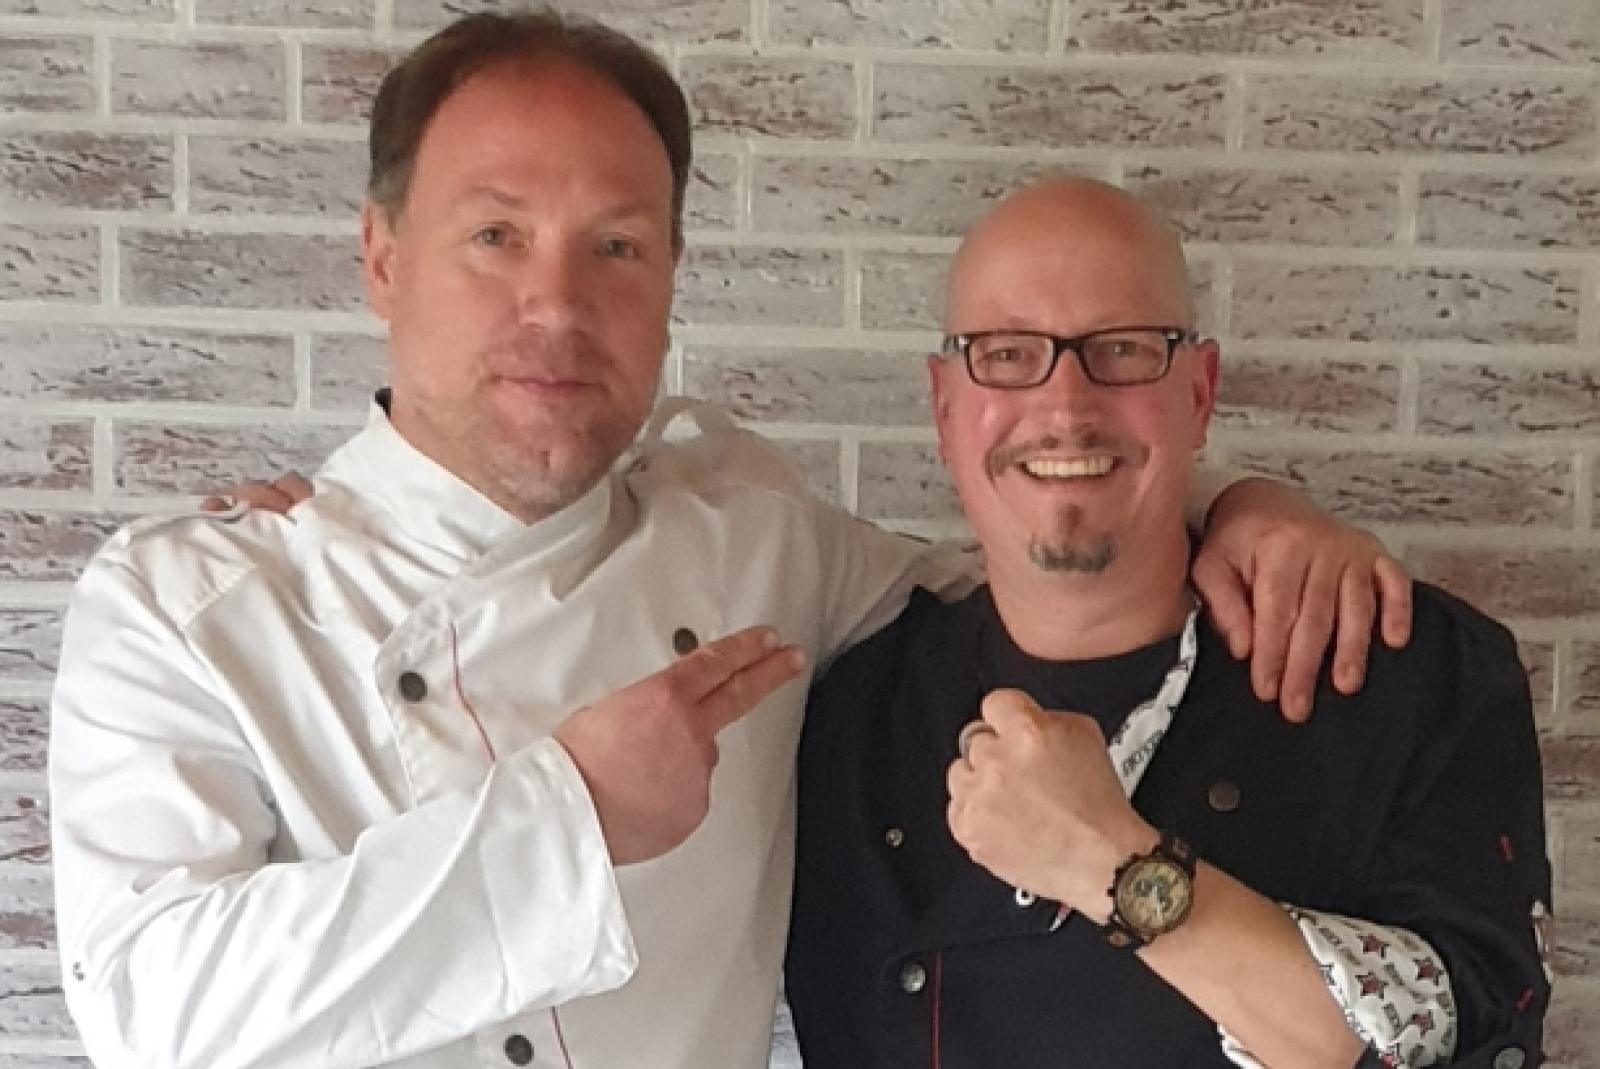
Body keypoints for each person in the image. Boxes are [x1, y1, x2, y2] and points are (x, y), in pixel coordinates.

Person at [50, 11, 1409, 1069]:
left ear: (671, 280)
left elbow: (1046, 562)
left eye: (618, 248)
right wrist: (569, 816)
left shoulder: (756, 547)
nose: (556, 305)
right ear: (383, 257)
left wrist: (1245, 507)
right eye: (496, 235)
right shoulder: (188, 607)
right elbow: (148, 1015)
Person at [785, 177, 1552, 1069]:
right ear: (943, 405)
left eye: (1123, 350)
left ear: (1201, 392)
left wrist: (1111, 863)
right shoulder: (848, 713)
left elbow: (1475, 1037)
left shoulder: (1401, 671)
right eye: (1006, 354)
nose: (1065, 407)